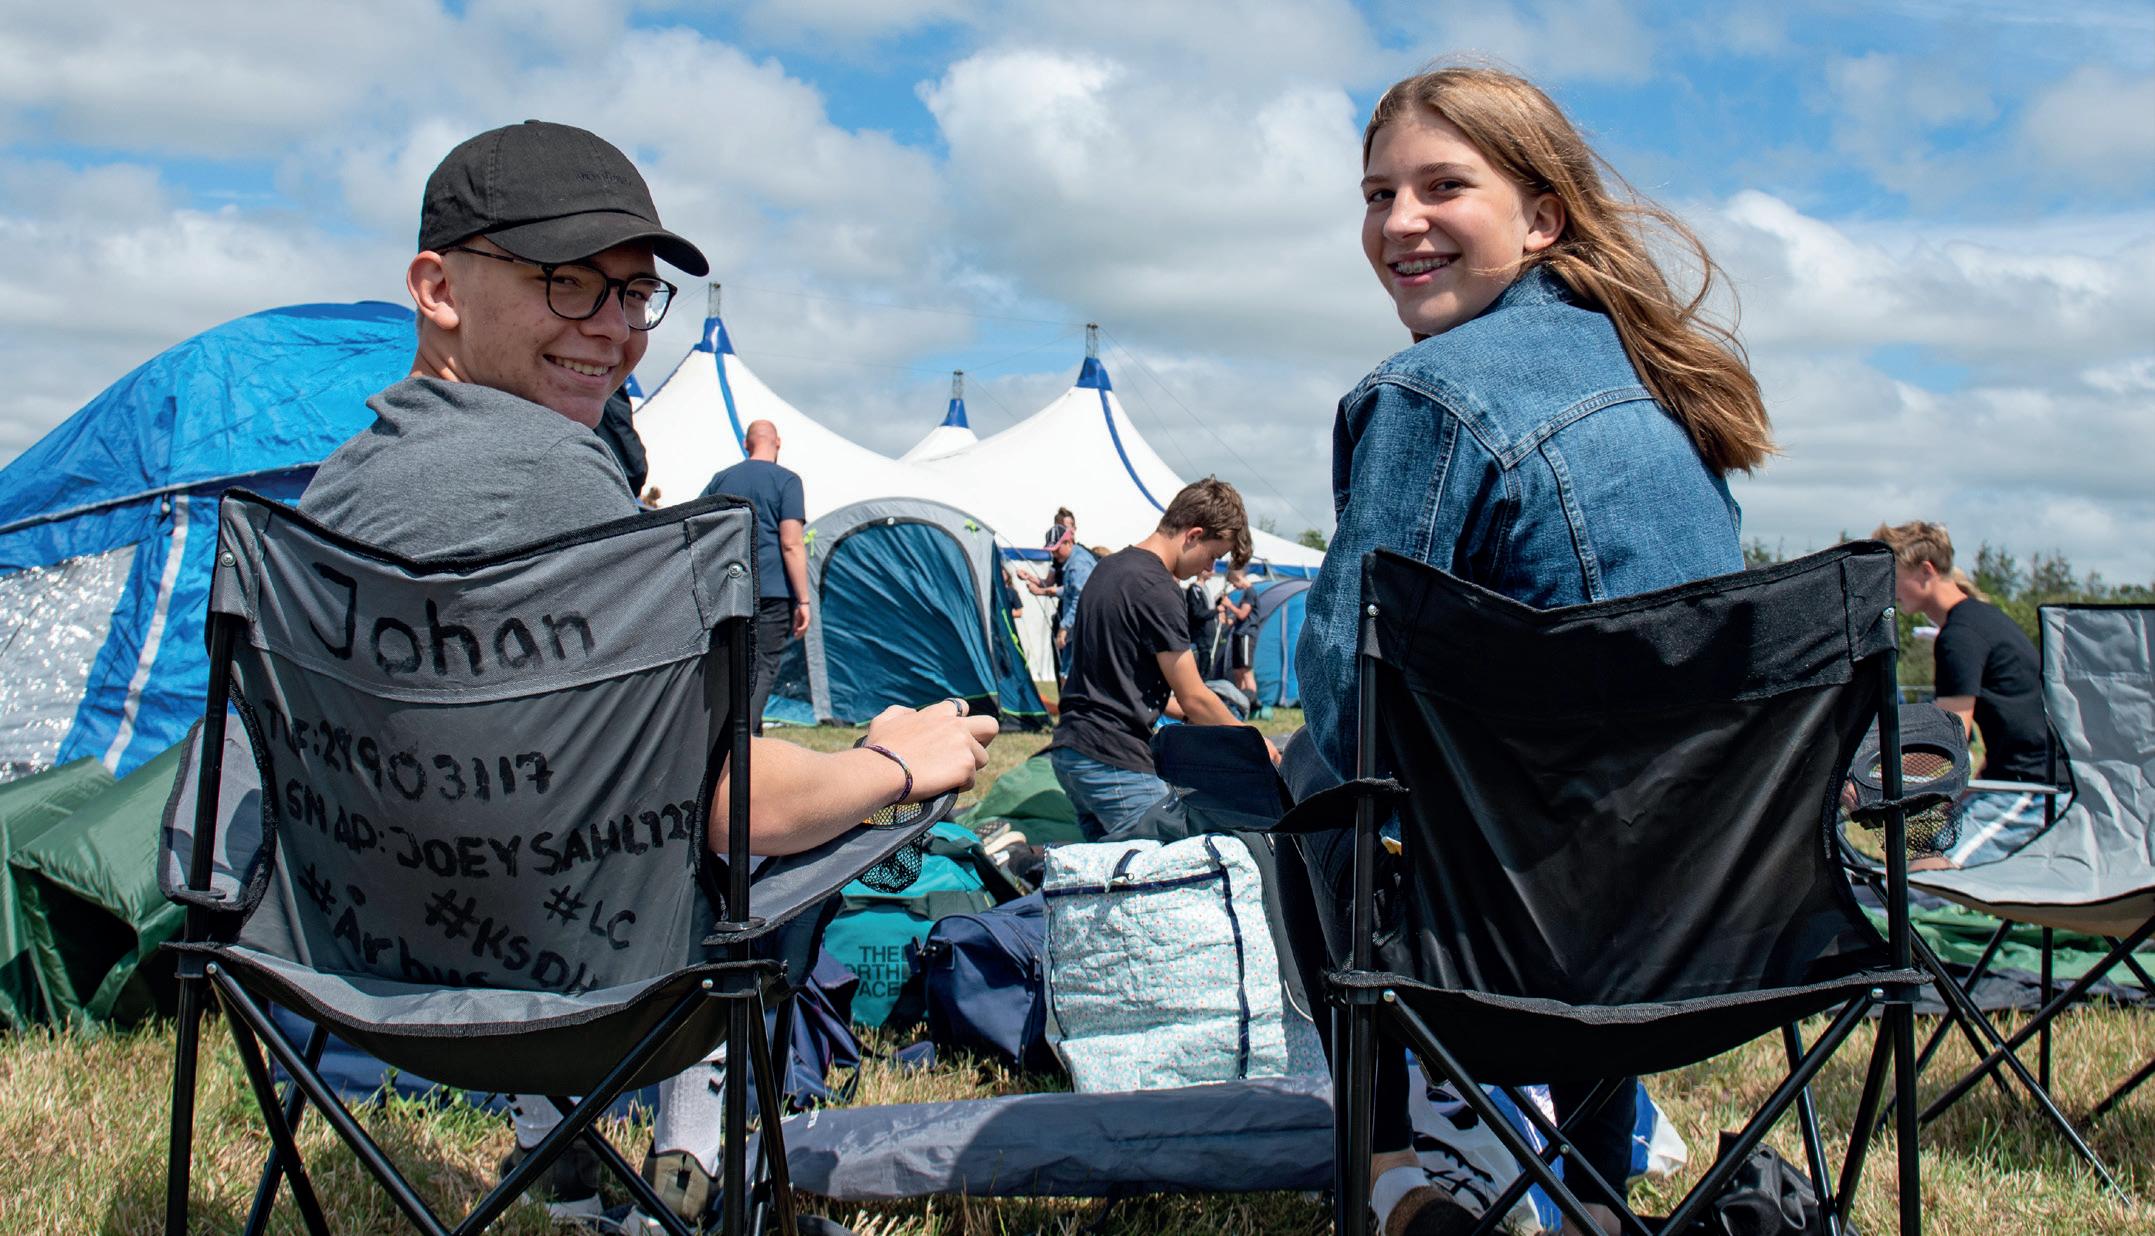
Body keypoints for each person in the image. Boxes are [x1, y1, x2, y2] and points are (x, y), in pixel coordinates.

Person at [299, 118, 998, 1225]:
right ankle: (696, 1172)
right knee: (791, 860)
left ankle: (555, 1146)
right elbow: (727, 806)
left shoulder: (332, 491)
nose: (616, 330)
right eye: (568, 284)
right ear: (437, 289)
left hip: (350, 971)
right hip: (566, 988)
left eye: (632, 295)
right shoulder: (559, 483)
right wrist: (892, 764)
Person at [1293, 67, 1774, 1236]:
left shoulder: (1427, 395)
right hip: (1724, 926)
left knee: (1313, 779)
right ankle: (1594, 1197)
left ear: (1542, 217)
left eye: (1441, 186)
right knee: (1588, 803)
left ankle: (1390, 1178)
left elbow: (1349, 704)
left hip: (1514, 956)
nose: (1398, 222)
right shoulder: (1666, 386)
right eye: (1377, 195)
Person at [1046, 478, 1273, 840]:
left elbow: (1120, 679)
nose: (1209, 568)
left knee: (1102, 869)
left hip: (1070, 752)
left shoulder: (1108, 567)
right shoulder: (1159, 588)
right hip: (1113, 758)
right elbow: (1194, 697)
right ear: (1193, 535)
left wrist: (1186, 715)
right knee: (1170, 859)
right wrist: (1254, 742)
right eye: (1213, 556)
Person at [1874, 520, 2051, 867]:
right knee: (1911, 867)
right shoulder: (1978, 619)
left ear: (1926, 571)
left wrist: (1871, 780)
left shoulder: (1960, 636)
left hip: (2031, 792)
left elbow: (1947, 746)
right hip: (2011, 781)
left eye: (1893, 576)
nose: (1889, 590)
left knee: (1930, 874)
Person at [703, 420, 811, 734]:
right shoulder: (788, 481)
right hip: (773, 589)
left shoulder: (722, 478)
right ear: (778, 442)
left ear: (746, 443)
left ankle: (737, 734)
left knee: (730, 664)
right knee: (761, 666)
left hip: (728, 587)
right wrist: (804, 599)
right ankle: (742, 740)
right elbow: (791, 543)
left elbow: (703, 527)